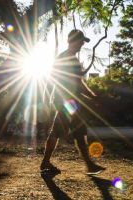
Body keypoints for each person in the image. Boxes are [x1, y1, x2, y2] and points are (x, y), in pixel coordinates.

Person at [40, 29, 106, 175]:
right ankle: (88, 165)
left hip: (65, 100)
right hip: (67, 101)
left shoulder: (64, 57)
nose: (82, 44)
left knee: (73, 131)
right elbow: (78, 83)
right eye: (81, 41)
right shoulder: (69, 58)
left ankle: (47, 162)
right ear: (73, 41)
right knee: (73, 131)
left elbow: (53, 79)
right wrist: (93, 96)